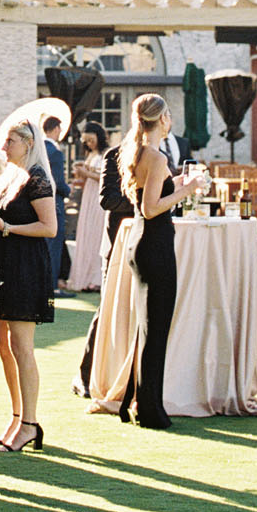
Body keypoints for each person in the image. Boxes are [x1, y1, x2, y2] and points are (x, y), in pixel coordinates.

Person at [119, 93, 203, 429]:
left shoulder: (138, 153)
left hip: (140, 244)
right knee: (156, 330)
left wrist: (177, 183)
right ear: (163, 119)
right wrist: (189, 188)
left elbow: (149, 195)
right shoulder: (155, 156)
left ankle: (138, 400)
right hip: (154, 245)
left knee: (146, 328)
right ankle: (149, 409)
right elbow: (151, 207)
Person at [0, 113, 57, 452]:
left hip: (26, 267)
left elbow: (49, 228)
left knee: (22, 347)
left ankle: (30, 423)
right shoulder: (9, 176)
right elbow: (4, 218)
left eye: (10, 141)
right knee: (3, 343)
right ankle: (16, 416)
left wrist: (7, 228)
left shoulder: (37, 179)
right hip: (4, 263)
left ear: (28, 143)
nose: (3, 146)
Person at [73, 137, 135, 397]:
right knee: (108, 309)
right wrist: (142, 197)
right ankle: (87, 376)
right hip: (118, 244)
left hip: (153, 243)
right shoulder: (115, 155)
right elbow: (109, 200)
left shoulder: (162, 156)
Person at [68, 121, 108, 292]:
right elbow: (87, 177)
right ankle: (85, 276)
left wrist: (87, 173)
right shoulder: (91, 155)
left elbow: (106, 177)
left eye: (91, 140)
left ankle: (96, 278)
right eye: (86, 141)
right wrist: (81, 173)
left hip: (99, 196)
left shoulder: (107, 154)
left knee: (97, 234)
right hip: (89, 195)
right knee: (87, 232)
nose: (89, 144)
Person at [42, 115, 71, 297]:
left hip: (40, 202)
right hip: (55, 203)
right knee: (54, 245)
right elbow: (59, 182)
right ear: (55, 129)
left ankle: (44, 283)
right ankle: (51, 286)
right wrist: (68, 190)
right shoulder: (55, 152)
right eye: (59, 129)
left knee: (45, 245)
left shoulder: (38, 149)